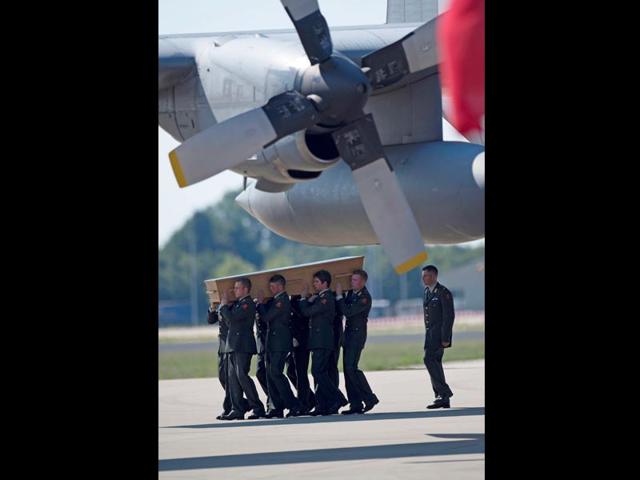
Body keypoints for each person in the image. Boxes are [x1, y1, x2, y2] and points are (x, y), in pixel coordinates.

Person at [299, 270, 348, 416]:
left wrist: (303, 299)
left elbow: (307, 312)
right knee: (318, 373)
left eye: (316, 282)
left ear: (325, 283)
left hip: (323, 340)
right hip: (318, 340)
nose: (314, 285)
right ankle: (322, 404)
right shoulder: (320, 297)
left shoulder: (326, 298)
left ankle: (338, 398)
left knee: (317, 371)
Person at [219, 278, 266, 420]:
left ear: (246, 289)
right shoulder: (238, 304)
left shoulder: (247, 304)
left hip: (243, 345)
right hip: (233, 345)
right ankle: (237, 409)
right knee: (232, 378)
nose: (235, 290)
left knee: (242, 376)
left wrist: (224, 306)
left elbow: (232, 319)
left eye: (237, 288)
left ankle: (258, 408)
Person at [256, 274, 302, 418]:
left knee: (276, 373)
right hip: (273, 343)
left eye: (272, 286)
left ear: (280, 286)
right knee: (270, 375)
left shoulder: (281, 301)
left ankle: (294, 404)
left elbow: (267, 317)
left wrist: (261, 303)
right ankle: (277, 407)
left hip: (280, 344)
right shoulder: (276, 300)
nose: (270, 289)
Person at [336, 269, 379, 414]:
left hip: (356, 337)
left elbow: (348, 312)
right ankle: (355, 404)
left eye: (355, 280)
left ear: (363, 281)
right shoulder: (352, 294)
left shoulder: (364, 297)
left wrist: (339, 296)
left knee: (351, 368)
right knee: (348, 371)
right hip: (348, 337)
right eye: (352, 280)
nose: (352, 282)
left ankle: (369, 398)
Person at [421, 265, 455, 409]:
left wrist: (446, 337)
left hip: (439, 335)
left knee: (428, 359)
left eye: (427, 275)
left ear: (434, 276)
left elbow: (449, 316)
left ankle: (444, 393)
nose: (424, 278)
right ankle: (442, 397)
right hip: (430, 334)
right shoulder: (427, 291)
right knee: (435, 363)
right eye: (423, 276)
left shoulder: (443, 292)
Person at [287, 295, 316, 414]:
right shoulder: (292, 299)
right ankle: (310, 399)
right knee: (291, 371)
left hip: (301, 340)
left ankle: (303, 403)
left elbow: (302, 315)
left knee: (301, 373)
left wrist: (305, 300)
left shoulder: (302, 299)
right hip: (291, 340)